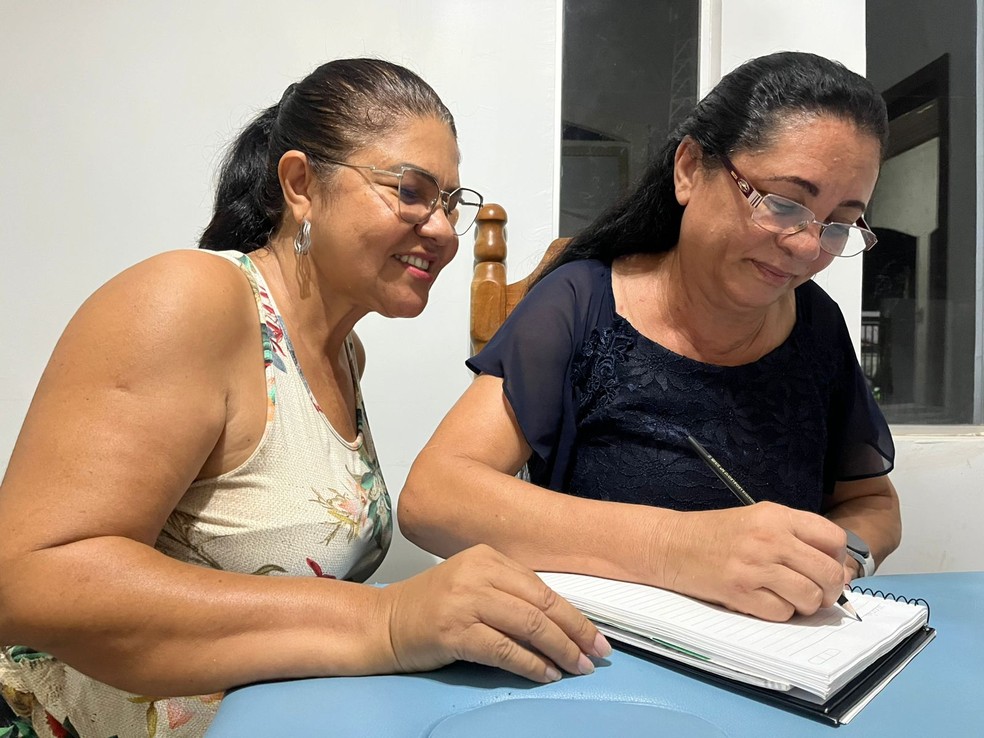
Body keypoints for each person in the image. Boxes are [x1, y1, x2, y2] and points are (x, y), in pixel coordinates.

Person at [0, 59, 609, 738]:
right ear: (300, 185)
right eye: (410, 191)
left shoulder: (344, 353)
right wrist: (385, 620)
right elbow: (30, 580)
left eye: (449, 203)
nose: (440, 229)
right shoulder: (190, 300)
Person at [399, 51, 902, 625]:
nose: (809, 248)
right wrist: (681, 548)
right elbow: (433, 498)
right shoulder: (583, 303)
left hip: (781, 664)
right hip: (607, 659)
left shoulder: (817, 326)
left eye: (838, 223)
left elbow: (872, 503)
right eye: (785, 204)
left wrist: (840, 562)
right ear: (690, 169)